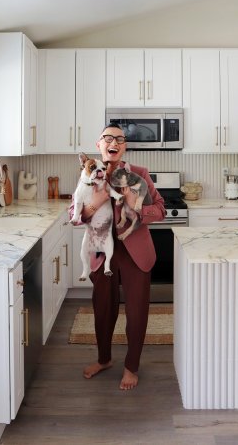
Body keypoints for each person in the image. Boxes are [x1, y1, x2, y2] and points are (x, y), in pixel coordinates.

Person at [69, 122, 165, 390]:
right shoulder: (87, 175)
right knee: (102, 309)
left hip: (136, 253)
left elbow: (160, 209)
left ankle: (131, 366)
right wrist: (97, 202)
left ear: (124, 147)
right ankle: (104, 359)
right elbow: (73, 217)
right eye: (107, 138)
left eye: (120, 139)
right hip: (103, 253)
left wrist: (137, 209)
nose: (113, 142)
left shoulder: (139, 174)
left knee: (136, 312)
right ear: (99, 144)